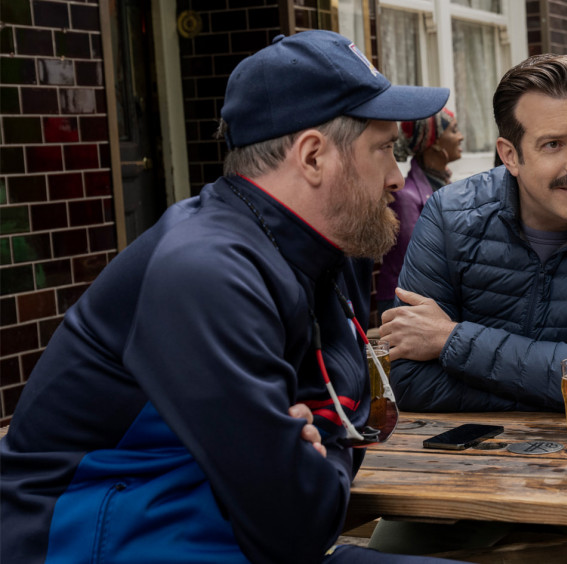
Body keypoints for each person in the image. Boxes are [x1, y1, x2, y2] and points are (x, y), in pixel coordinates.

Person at [0, 30, 460, 564]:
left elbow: (317, 472)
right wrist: (326, 429)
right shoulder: (205, 271)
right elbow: (295, 520)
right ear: (313, 156)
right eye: (385, 149)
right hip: (96, 546)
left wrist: (316, 432)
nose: (395, 178)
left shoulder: (315, 255)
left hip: (201, 534)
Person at [379, 54, 567, 414]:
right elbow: (408, 382)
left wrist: (450, 339)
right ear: (510, 156)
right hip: (469, 461)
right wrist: (555, 392)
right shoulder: (449, 215)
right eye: (553, 144)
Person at [376, 108, 463, 318]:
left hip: (433, 300)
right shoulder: (406, 197)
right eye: (453, 130)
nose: (460, 136)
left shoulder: (446, 186)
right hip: (405, 303)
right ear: (434, 142)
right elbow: (419, 260)